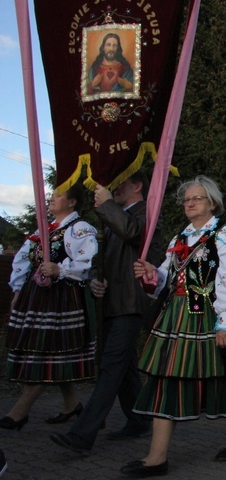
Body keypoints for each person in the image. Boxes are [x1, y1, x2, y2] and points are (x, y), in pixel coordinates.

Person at [120, 176, 226, 476]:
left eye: (196, 198)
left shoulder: (225, 235)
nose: (189, 203)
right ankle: (156, 457)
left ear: (212, 202)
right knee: (164, 378)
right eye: (186, 199)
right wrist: (152, 273)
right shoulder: (181, 237)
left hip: (211, 314)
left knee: (225, 378)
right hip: (177, 315)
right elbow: (168, 277)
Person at [50, 172, 162, 454]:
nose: (114, 188)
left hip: (131, 302)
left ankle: (82, 435)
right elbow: (105, 259)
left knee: (111, 367)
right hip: (114, 302)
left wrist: (108, 205)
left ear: (137, 186)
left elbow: (134, 233)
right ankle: (138, 421)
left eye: (121, 183)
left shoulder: (146, 213)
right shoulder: (117, 216)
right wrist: (96, 279)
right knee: (124, 369)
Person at [2, 185, 97, 431]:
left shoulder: (79, 229)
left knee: (46, 350)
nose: (52, 199)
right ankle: (72, 404)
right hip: (36, 296)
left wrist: (61, 269)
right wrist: (17, 290)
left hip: (61, 296)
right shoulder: (43, 230)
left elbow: (87, 262)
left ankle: (19, 411)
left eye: (58, 196)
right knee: (52, 351)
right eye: (52, 195)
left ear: (73, 202)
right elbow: (24, 259)